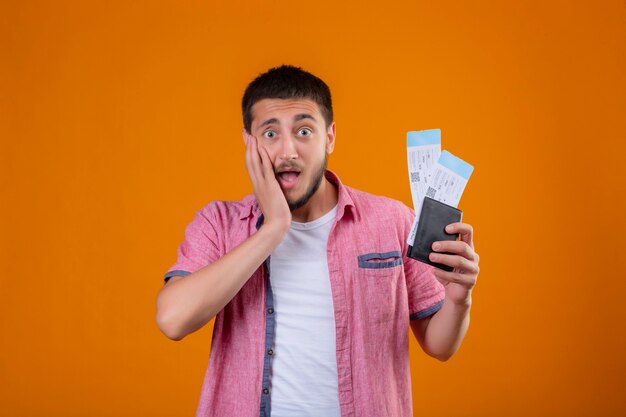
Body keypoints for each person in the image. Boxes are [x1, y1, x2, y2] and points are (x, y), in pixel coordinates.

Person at [156, 65, 480, 417]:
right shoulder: (219, 223)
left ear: (330, 137)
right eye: (269, 134)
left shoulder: (392, 221)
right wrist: (273, 228)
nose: (288, 150)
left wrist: (459, 298)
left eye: (304, 130)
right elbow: (173, 320)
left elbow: (440, 345)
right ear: (248, 142)